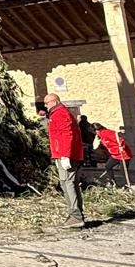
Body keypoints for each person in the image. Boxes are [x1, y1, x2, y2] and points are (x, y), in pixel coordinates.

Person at [44, 92, 86, 228]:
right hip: (66, 154)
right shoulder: (60, 113)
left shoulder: (60, 114)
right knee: (69, 183)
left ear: (54, 102)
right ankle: (77, 214)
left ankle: (75, 216)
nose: (46, 106)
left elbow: (67, 135)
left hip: (66, 155)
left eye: (47, 103)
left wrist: (65, 155)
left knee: (68, 184)